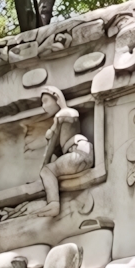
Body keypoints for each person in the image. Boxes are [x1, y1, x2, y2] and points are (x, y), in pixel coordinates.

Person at [34, 86, 93, 217]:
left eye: (45, 101)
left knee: (46, 171)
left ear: (57, 98)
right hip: (84, 154)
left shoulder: (64, 114)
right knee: (52, 170)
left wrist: (54, 126)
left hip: (77, 154)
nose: (43, 106)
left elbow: (50, 146)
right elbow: (55, 151)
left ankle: (53, 203)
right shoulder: (65, 118)